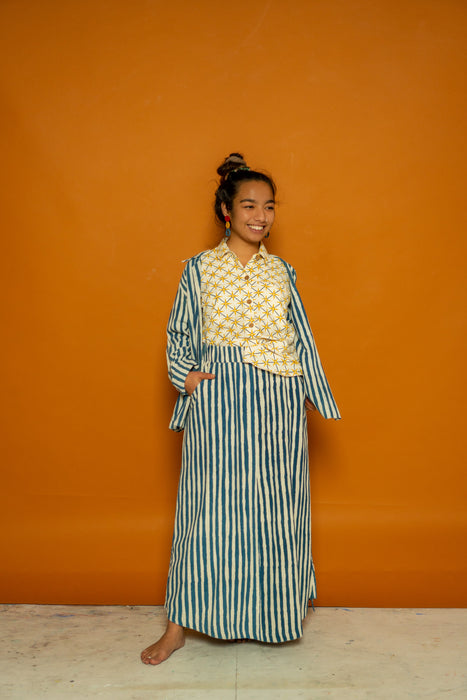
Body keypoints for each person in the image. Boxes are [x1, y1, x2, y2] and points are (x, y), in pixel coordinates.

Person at [141, 153, 340, 665]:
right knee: (208, 508)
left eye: (269, 206)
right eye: (250, 205)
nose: (261, 215)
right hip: (220, 397)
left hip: (277, 400)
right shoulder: (199, 269)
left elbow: (302, 335)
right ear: (227, 211)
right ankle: (178, 626)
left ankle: (272, 614)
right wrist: (187, 376)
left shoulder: (282, 271)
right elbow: (180, 331)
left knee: (276, 507)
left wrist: (310, 390)